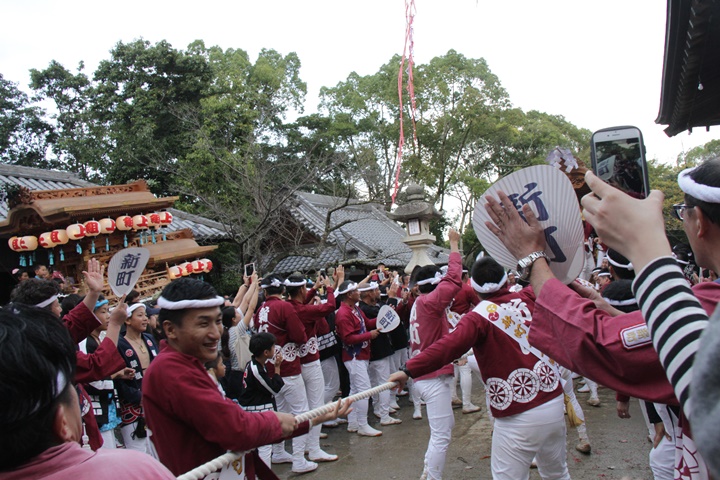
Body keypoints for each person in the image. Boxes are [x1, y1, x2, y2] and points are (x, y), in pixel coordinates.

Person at [483, 166, 718, 479]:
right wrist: (611, 313)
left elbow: (602, 344)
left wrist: (532, 258)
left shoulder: (710, 304)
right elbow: (662, 339)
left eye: (682, 212)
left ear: (699, 221)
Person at [143, 278, 350, 479]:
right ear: (170, 329)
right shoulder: (172, 371)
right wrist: (295, 420)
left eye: (217, 321)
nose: (215, 333)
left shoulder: (187, 365)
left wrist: (311, 419)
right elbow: (236, 429)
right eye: (203, 324)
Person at [391, 255, 569, 480]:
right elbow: (550, 280)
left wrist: (408, 369)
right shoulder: (528, 296)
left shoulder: (476, 319)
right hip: (553, 402)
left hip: (515, 413)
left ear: (474, 288)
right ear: (506, 280)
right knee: (558, 474)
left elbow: (447, 347)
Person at [0, 302, 175, 479]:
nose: (60, 309)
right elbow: (97, 365)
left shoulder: (145, 339)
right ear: (62, 422)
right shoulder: (135, 470)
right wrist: (115, 325)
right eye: (103, 311)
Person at [406, 228, 463, 480]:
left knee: (445, 427)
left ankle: (428, 471)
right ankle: (432, 476)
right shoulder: (430, 302)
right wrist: (454, 245)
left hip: (425, 374)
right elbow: (454, 280)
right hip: (431, 376)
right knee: (441, 435)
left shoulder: (419, 303)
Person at [254, 274, 315, 473]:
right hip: (287, 366)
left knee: (281, 410)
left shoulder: (261, 310)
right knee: (300, 412)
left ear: (265, 292)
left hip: (269, 368)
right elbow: (299, 335)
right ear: (282, 290)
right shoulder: (284, 307)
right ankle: (299, 459)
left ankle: (279, 451)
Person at [286, 270, 342, 463]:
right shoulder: (304, 311)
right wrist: (329, 288)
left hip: (296, 361)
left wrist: (315, 288)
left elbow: (300, 303)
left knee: (302, 408)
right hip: (310, 361)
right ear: (302, 289)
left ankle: (305, 448)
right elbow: (330, 306)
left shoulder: (287, 307)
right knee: (315, 406)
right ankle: (313, 449)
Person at [335, 280, 382, 437]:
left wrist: (381, 320)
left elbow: (367, 323)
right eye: (356, 290)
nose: (359, 292)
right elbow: (348, 338)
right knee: (363, 390)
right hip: (353, 356)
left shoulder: (354, 308)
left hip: (360, 354)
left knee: (355, 390)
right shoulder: (343, 313)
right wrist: (369, 335)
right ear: (349, 294)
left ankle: (353, 422)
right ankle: (363, 424)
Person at [115, 303, 159, 453]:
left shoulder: (149, 339)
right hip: (133, 404)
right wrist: (137, 396)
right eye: (140, 315)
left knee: (159, 449)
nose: (145, 319)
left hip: (154, 399)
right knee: (139, 451)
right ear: (128, 320)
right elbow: (117, 377)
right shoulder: (119, 344)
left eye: (145, 315)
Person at [358, 282, 402, 426]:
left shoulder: (365, 308)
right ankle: (384, 415)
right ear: (368, 293)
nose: (378, 292)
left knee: (375, 382)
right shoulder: (366, 309)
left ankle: (379, 408)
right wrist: (392, 298)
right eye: (375, 290)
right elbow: (383, 318)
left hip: (375, 351)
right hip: (378, 350)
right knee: (383, 383)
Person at [238, 332, 285, 467]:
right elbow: (273, 389)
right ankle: (264, 473)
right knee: (264, 446)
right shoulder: (256, 369)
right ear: (266, 352)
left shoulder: (256, 364)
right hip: (256, 409)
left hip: (255, 407)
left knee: (262, 446)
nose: (275, 349)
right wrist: (277, 369)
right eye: (273, 347)